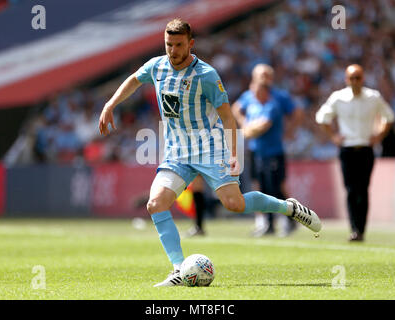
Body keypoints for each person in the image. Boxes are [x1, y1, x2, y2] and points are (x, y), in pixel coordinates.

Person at [99, 18, 321, 287]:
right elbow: (134, 80)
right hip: (177, 152)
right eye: (169, 44)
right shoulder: (156, 66)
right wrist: (110, 104)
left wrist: (233, 152)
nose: (173, 50)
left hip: (210, 149)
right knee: (155, 204)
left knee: (235, 204)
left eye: (179, 45)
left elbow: (227, 117)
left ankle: (289, 207)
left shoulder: (206, 74)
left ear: (190, 44)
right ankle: (179, 269)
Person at [315, 64, 395, 242]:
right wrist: (333, 136)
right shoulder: (339, 97)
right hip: (347, 148)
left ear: (363, 79)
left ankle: (361, 229)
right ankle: (354, 228)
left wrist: (380, 135)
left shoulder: (373, 97)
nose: (355, 82)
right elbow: (322, 117)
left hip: (366, 148)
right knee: (351, 190)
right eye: (352, 78)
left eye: (358, 78)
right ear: (346, 79)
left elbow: (389, 117)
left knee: (363, 189)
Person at [232, 64, 301, 237]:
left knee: (276, 187)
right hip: (257, 150)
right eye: (261, 75)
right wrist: (244, 124)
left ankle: (288, 218)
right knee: (260, 185)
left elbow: (295, 113)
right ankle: (265, 221)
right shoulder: (250, 96)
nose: (264, 78)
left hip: (273, 150)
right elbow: (236, 108)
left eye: (267, 75)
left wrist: (290, 131)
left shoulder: (275, 99)